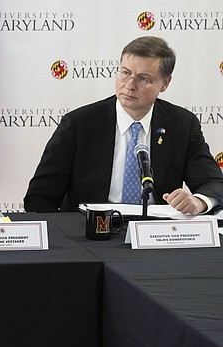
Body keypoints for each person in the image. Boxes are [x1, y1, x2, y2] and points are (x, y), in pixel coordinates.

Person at [24, 36, 223, 214]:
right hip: (92, 234)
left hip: (156, 236)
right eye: (125, 73)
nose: (129, 85)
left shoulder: (182, 124)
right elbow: (39, 198)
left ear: (165, 83)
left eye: (143, 78)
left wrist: (198, 202)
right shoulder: (79, 124)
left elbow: (213, 182)